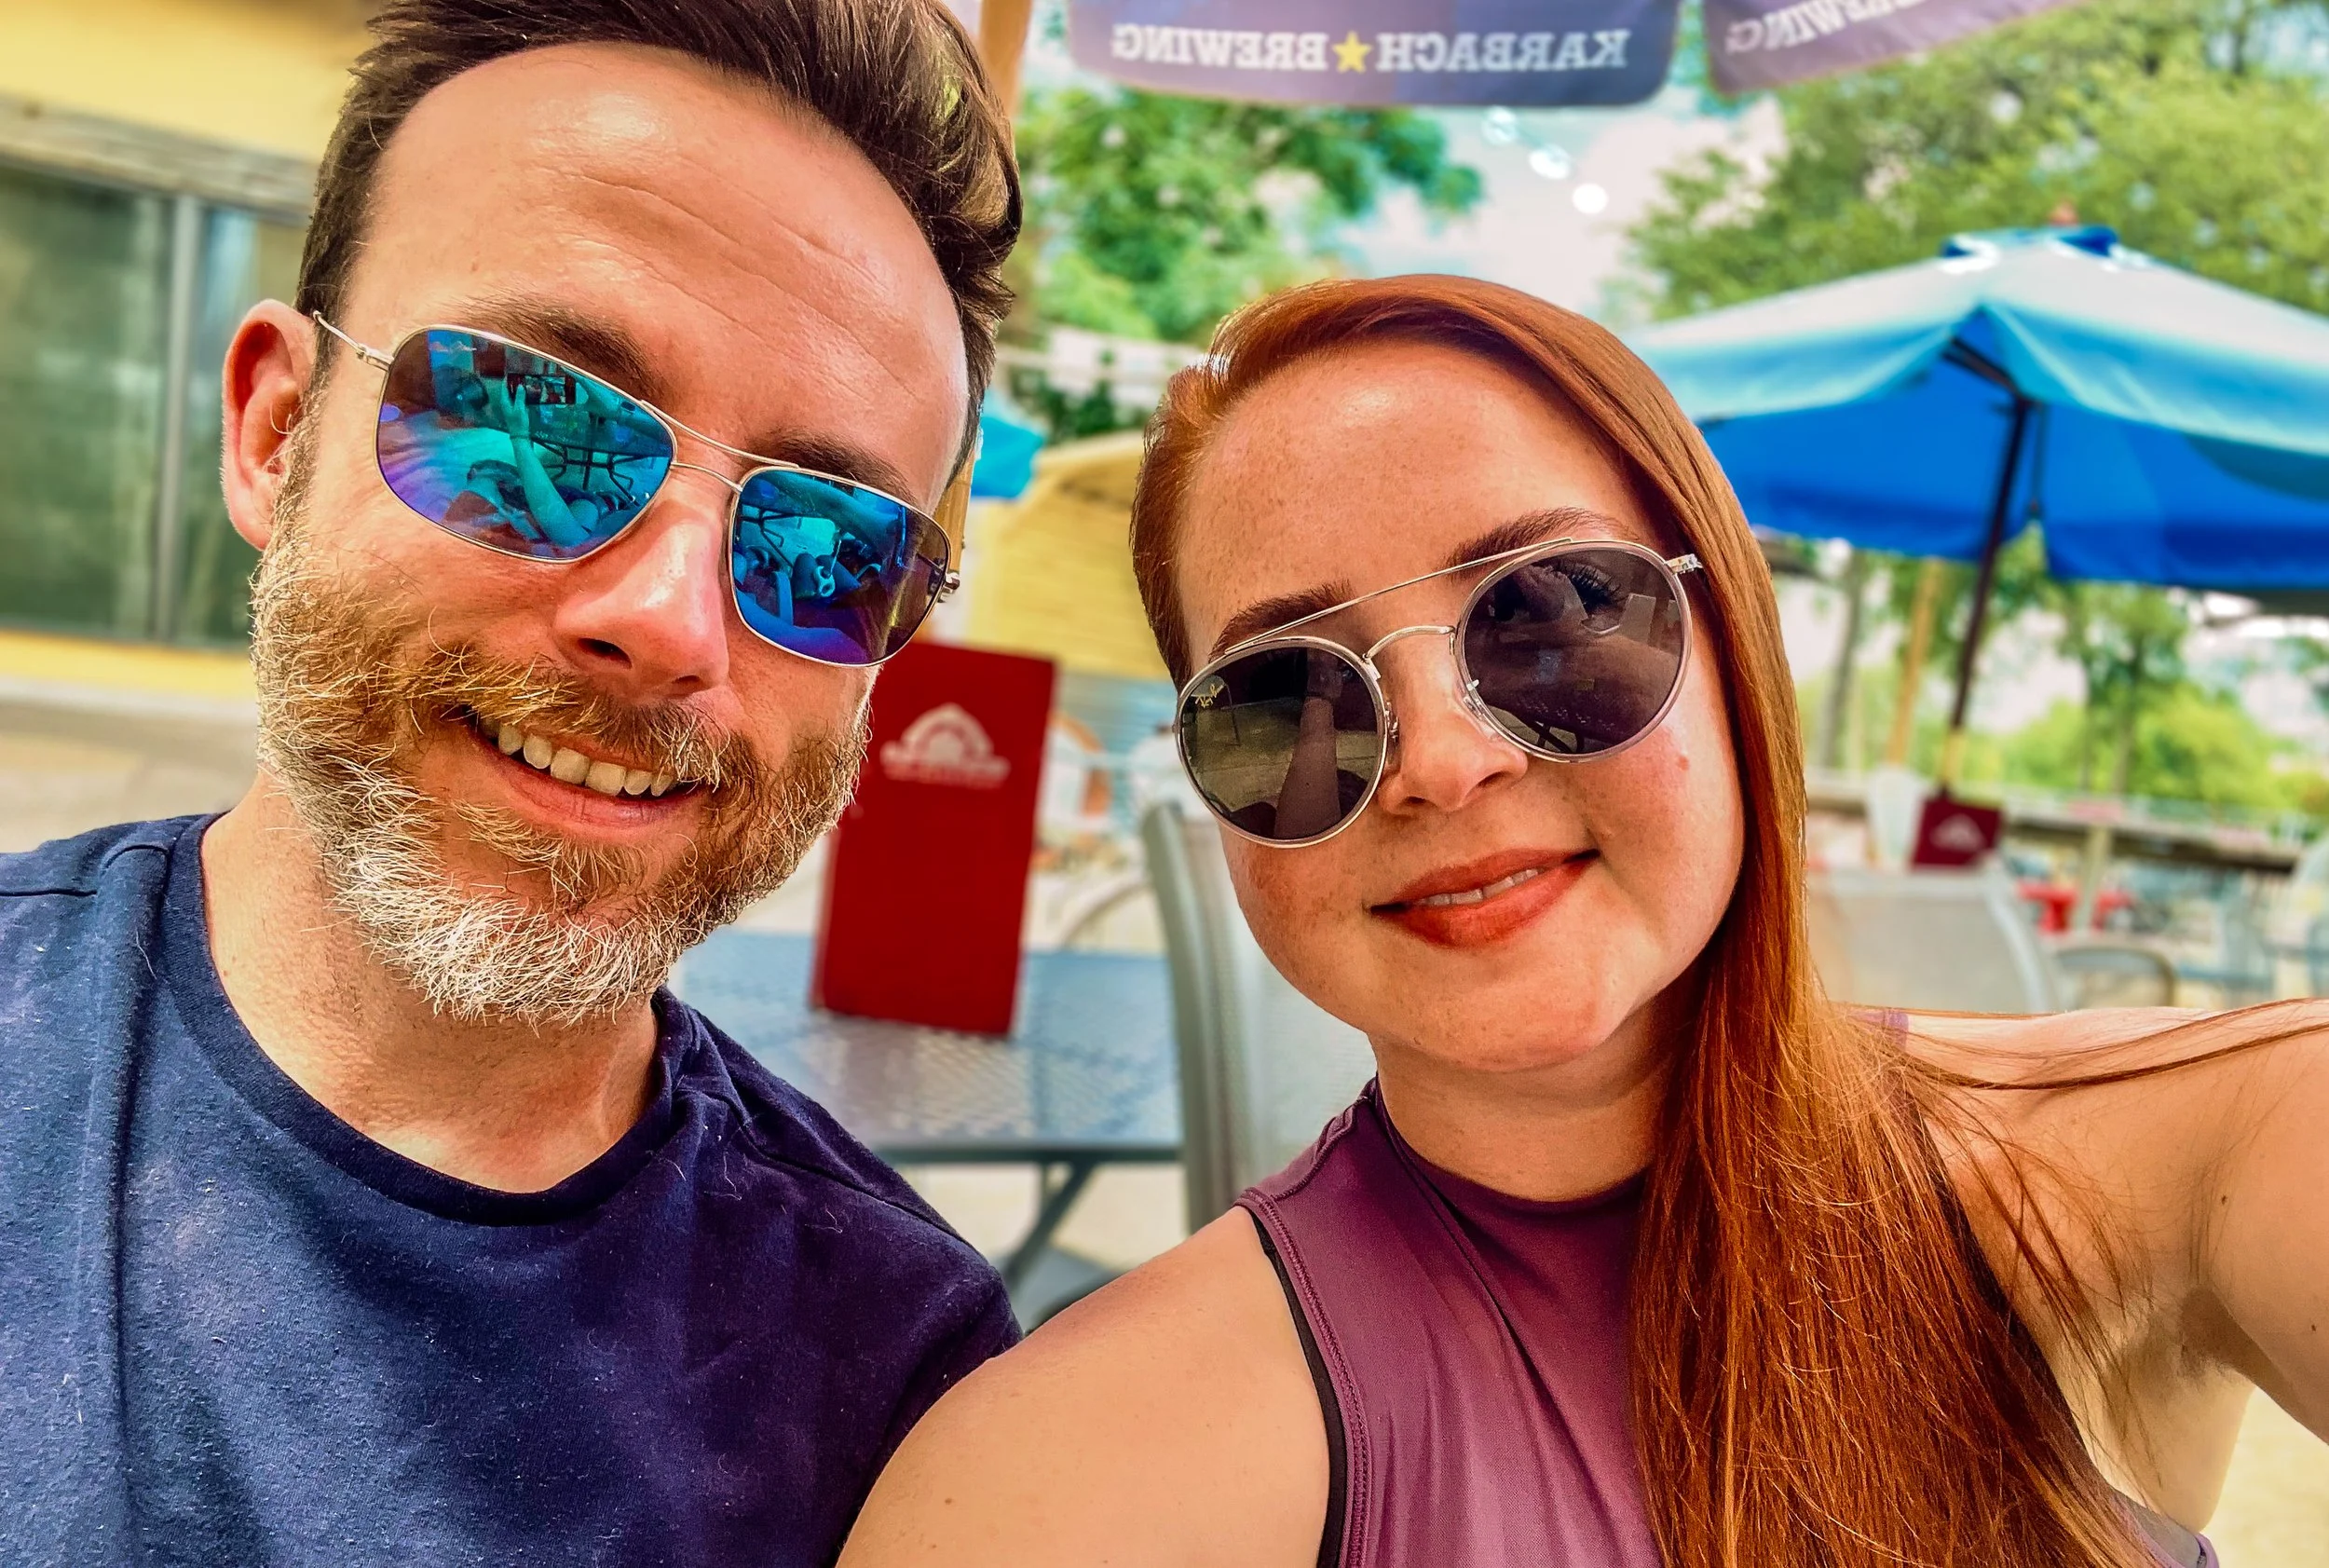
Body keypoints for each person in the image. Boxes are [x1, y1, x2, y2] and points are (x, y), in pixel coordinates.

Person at [838, 276, 2329, 1568]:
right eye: (1286, 697)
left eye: (1548, 614)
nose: (1441, 760)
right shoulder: (1069, 1466)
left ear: (1732, 638)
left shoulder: (2164, 1159)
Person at [0, 1, 1022, 1562]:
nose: (670, 621)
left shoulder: (905, 1386)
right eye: (526, 426)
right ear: (278, 431)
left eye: (828, 549)